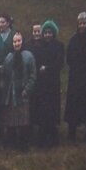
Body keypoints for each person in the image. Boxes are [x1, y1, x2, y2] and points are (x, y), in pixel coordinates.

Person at [31, 19, 64, 147]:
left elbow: (59, 63)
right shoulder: (40, 47)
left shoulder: (59, 46)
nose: (47, 35)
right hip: (42, 83)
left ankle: (54, 136)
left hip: (53, 82)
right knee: (43, 110)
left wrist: (48, 68)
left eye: (50, 32)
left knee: (52, 109)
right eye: (45, 33)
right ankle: (42, 137)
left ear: (54, 33)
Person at [64, 11, 86, 144]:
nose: (82, 26)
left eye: (84, 23)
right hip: (75, 77)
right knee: (73, 106)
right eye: (80, 23)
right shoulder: (73, 39)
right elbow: (69, 58)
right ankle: (71, 134)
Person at [1, 32, 36, 150]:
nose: (17, 43)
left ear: (23, 41)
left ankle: (24, 144)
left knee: (23, 120)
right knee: (12, 119)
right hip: (11, 94)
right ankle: (11, 143)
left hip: (23, 93)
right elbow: (4, 75)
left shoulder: (29, 56)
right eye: (15, 41)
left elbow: (33, 75)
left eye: (19, 41)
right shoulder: (8, 57)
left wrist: (27, 89)